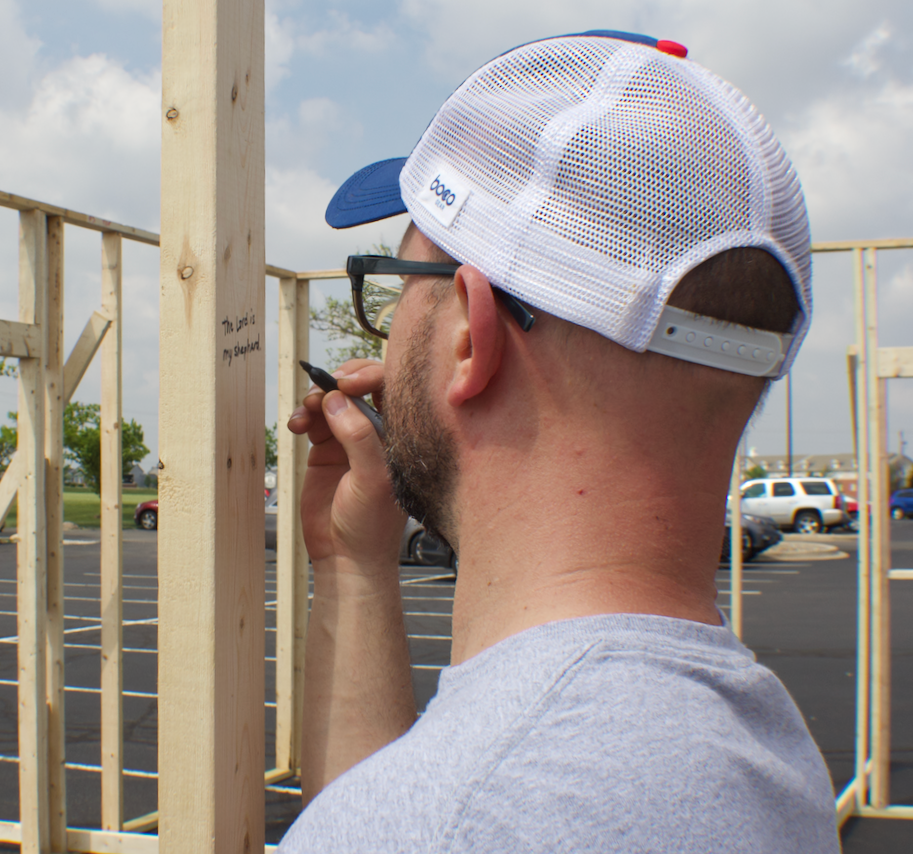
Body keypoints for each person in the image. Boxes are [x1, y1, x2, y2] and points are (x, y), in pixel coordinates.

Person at [278, 30, 840, 853]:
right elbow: (403, 803)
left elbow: (427, 815)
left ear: (471, 338)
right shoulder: (750, 750)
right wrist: (353, 568)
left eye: (398, 290)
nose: (388, 339)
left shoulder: (452, 820)